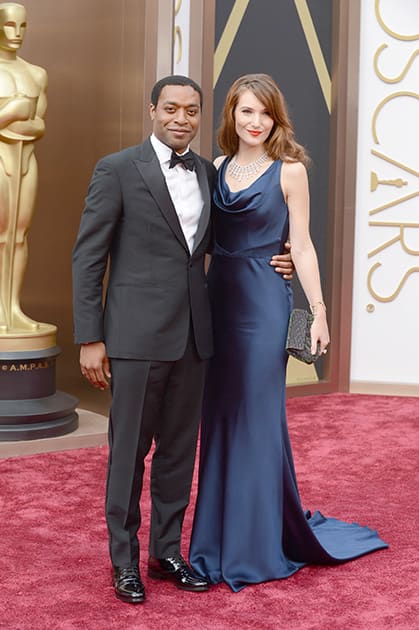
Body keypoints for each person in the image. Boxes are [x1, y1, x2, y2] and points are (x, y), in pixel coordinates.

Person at [72, 75, 293, 604]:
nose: (181, 119)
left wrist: (278, 256)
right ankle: (124, 562)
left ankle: (165, 551)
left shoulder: (208, 172)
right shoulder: (118, 169)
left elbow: (234, 235)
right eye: (170, 108)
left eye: (191, 111)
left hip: (196, 336)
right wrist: (90, 338)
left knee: (177, 454)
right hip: (133, 337)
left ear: (200, 117)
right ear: (152, 110)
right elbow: (88, 257)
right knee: (128, 455)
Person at [189, 73, 388, 592]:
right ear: (231, 115)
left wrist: (318, 311)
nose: (255, 122)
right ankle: (213, 542)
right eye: (245, 112)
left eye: (264, 113)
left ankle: (254, 546)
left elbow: (301, 245)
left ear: (276, 118)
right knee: (219, 418)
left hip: (263, 304)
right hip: (218, 300)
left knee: (255, 418)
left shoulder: (290, 170)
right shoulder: (219, 169)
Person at [0, 2, 47, 332]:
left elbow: (39, 126)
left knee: (18, 235)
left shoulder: (36, 73)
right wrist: (15, 113)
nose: (16, 34)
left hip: (25, 160)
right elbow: (24, 119)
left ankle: (12, 308)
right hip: (2, 159)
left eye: (22, 26)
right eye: (8, 25)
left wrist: (17, 122)